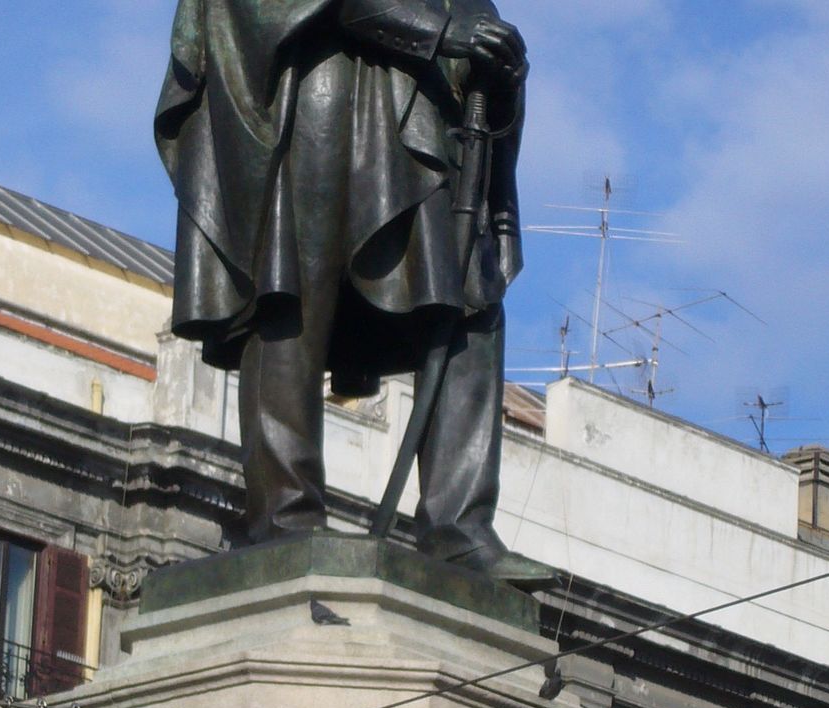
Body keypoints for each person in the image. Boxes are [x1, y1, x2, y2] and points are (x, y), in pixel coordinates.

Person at [155, 0, 548, 584]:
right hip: (315, 79)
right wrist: (445, 32)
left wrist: (496, 65)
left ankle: (460, 528)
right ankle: (285, 515)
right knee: (291, 291)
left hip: (418, 104)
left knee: (472, 298)